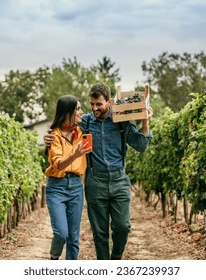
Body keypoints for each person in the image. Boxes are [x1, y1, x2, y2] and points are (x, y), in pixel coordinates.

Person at [44, 83, 153, 260]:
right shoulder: (85, 122)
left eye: (99, 104)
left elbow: (141, 146)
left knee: (122, 227)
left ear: (108, 102)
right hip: (95, 182)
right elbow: (63, 126)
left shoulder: (121, 120)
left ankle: (116, 258)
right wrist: (48, 135)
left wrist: (145, 121)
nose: (94, 108)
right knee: (100, 233)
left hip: (119, 180)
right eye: (91, 104)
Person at [44, 95, 92, 260]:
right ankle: (54, 257)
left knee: (73, 236)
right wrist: (75, 154)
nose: (81, 112)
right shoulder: (55, 135)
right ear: (67, 112)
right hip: (57, 187)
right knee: (62, 233)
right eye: (78, 109)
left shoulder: (81, 131)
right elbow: (59, 164)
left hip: (76, 186)